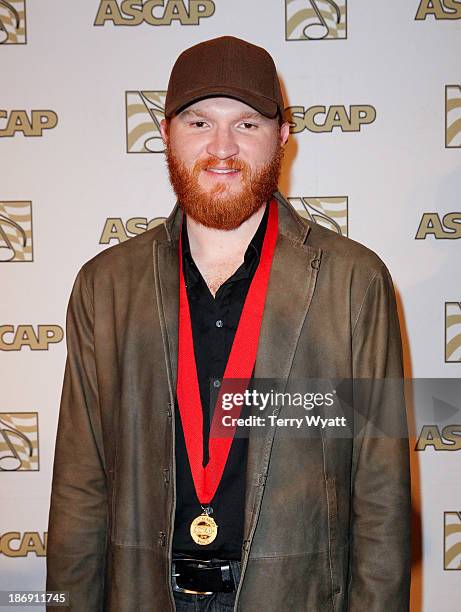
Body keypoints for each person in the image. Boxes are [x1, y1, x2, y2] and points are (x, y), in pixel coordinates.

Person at [46, 36, 411, 611]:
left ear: (282, 137)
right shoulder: (105, 286)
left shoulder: (354, 282)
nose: (222, 148)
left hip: (294, 596)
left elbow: (381, 491)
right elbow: (78, 490)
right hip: (141, 593)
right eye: (198, 123)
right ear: (165, 135)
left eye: (246, 125)